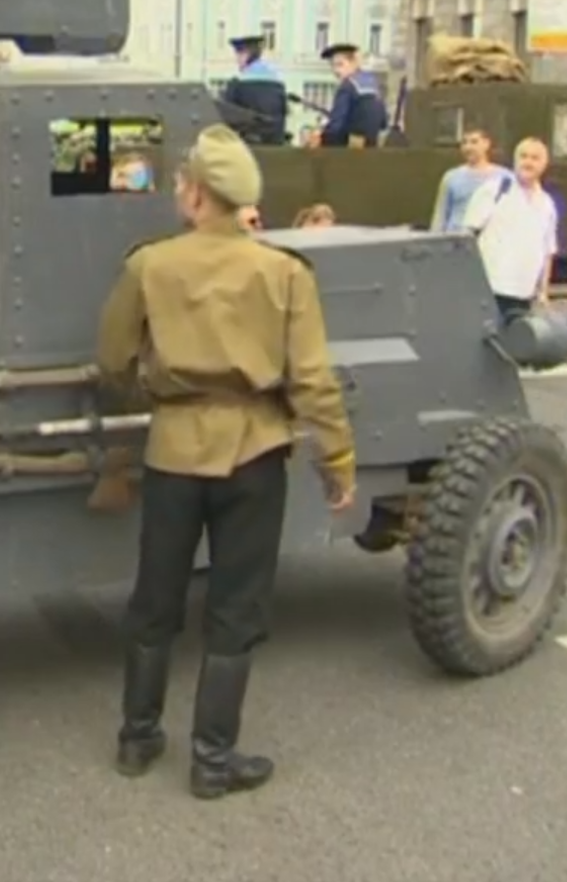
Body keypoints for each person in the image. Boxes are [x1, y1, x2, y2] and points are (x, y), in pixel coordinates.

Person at [96, 124, 356, 800]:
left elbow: (112, 360)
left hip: (173, 450)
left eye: (182, 183)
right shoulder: (284, 273)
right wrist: (338, 458)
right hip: (255, 453)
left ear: (196, 196)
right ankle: (212, 759)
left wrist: (149, 402)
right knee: (237, 608)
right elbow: (313, 381)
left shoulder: (150, 265)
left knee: (155, 598)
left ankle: (137, 737)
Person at [462, 137, 558, 324]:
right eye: (523, 156)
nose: (528, 162)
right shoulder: (493, 191)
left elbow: (547, 251)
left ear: (544, 164)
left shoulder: (547, 204)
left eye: (535, 158)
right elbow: (467, 237)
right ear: (515, 160)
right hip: (489, 291)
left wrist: (543, 292)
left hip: (524, 294)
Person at [217, 35, 289, 147]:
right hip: (275, 148)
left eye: (239, 54)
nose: (237, 60)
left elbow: (226, 119)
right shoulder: (278, 84)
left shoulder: (238, 84)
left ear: (246, 55)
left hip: (247, 149)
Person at [429, 129, 505, 233]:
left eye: (474, 142)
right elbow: (440, 214)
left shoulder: (504, 177)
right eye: (464, 143)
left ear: (486, 144)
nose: (468, 147)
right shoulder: (451, 177)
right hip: (456, 237)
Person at [315, 43, 389, 148]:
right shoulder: (373, 84)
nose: (335, 71)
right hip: (373, 148)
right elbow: (383, 122)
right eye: (332, 66)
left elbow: (336, 126)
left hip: (350, 149)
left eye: (340, 64)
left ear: (354, 63)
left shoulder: (347, 86)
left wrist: (321, 137)